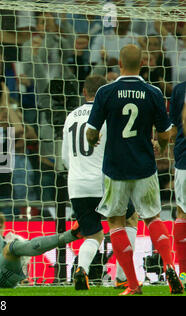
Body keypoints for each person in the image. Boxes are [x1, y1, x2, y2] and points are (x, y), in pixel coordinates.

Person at [86, 44, 184, 295]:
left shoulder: (106, 91)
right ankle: (170, 266)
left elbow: (91, 131)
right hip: (144, 166)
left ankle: (132, 284)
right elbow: (164, 133)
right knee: (152, 217)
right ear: (143, 64)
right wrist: (161, 146)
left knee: (116, 221)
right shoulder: (152, 92)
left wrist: (92, 139)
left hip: (115, 167)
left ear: (119, 63)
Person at [62, 75, 138, 290]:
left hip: (76, 184)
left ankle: (82, 269)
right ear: (105, 92)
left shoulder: (70, 117)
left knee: (93, 233)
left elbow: (65, 159)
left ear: (84, 92)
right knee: (129, 219)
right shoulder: (108, 115)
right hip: (104, 181)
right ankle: (123, 277)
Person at [168, 80, 186, 278]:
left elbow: (172, 127)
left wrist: (160, 140)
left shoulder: (180, 90)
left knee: (182, 214)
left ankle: (184, 273)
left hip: (184, 160)